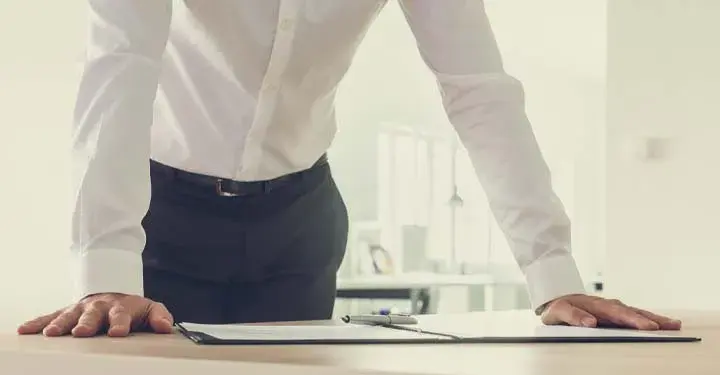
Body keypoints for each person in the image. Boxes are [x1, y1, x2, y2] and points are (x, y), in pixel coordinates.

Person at [19, 1, 680, 338]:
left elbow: (478, 89)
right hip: (160, 217)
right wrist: (104, 265)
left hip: (298, 224)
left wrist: (551, 271)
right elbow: (120, 61)